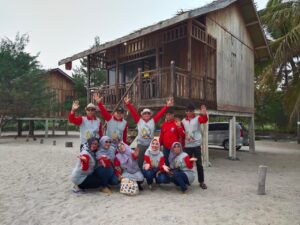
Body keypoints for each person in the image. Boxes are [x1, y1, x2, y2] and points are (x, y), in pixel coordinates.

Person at [124, 95, 173, 169]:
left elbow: (160, 114)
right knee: (139, 161)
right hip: (141, 145)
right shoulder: (139, 120)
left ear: (150, 115)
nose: (146, 114)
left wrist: (166, 106)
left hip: (151, 145)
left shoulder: (153, 121)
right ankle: (139, 175)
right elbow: (133, 112)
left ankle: (150, 174)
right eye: (145, 113)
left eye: (148, 113)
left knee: (151, 161)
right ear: (142, 115)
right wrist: (128, 104)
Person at [181, 104, 208, 189]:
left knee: (199, 164)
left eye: (191, 111)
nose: (189, 112)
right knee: (185, 163)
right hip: (187, 145)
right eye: (188, 111)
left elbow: (204, 120)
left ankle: (201, 181)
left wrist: (204, 113)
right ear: (185, 112)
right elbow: (181, 131)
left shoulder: (197, 118)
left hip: (196, 145)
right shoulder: (183, 121)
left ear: (193, 111)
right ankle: (185, 180)